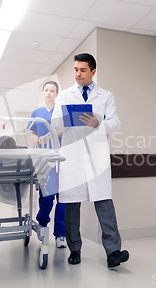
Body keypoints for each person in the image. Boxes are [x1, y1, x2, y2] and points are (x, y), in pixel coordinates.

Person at [51, 53, 129, 268]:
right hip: (73, 156)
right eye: (75, 70)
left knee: (104, 203)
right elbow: (55, 126)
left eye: (82, 70)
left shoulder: (105, 96)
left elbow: (115, 123)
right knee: (71, 206)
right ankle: (74, 249)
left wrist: (98, 122)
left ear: (93, 72)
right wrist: (66, 120)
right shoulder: (64, 96)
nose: (78, 74)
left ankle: (113, 251)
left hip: (97, 157)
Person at [29, 81, 67, 248]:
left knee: (63, 198)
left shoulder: (61, 112)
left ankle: (60, 234)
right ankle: (42, 223)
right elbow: (33, 132)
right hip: (44, 159)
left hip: (61, 157)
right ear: (43, 93)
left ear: (57, 94)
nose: (49, 93)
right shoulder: (37, 113)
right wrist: (35, 139)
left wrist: (52, 137)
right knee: (47, 196)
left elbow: (65, 130)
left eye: (52, 91)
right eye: (46, 90)